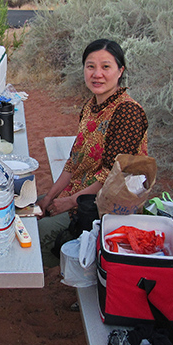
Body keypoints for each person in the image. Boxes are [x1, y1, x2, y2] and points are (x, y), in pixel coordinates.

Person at [37, 39, 148, 268]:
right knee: (30, 210)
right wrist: (50, 196)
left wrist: (68, 202)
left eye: (106, 67)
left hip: (106, 209)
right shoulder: (90, 107)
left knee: (34, 235)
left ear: (120, 71)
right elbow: (73, 161)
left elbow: (113, 177)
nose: (97, 74)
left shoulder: (128, 113)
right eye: (90, 66)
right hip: (79, 194)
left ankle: (86, 275)